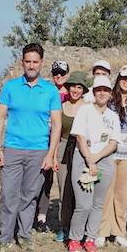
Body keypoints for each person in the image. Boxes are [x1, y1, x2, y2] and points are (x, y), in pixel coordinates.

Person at [0, 43, 62, 252]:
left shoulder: (50, 90)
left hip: (39, 151)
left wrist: (51, 154)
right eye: (27, 61)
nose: (31, 65)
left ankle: (24, 235)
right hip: (12, 148)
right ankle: (5, 237)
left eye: (35, 61)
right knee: (8, 195)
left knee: (29, 195)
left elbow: (57, 124)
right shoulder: (10, 87)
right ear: (22, 62)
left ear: (41, 63)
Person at [67, 75, 121, 252]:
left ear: (111, 94)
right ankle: (75, 238)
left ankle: (90, 238)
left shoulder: (113, 116)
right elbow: (80, 137)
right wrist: (90, 159)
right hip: (83, 158)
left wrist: (96, 158)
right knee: (83, 204)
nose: (102, 93)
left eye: (106, 90)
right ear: (94, 92)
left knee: (98, 203)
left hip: (104, 160)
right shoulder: (85, 110)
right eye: (99, 90)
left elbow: (113, 142)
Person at [97, 64, 127, 248]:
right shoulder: (109, 99)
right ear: (119, 78)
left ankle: (119, 231)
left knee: (122, 195)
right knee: (106, 192)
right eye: (125, 77)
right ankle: (102, 231)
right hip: (109, 151)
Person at [33, 60, 71, 232]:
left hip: (62, 141)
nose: (59, 76)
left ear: (67, 75)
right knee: (41, 179)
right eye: (56, 73)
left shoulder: (72, 94)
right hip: (42, 138)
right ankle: (38, 216)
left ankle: (43, 215)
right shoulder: (45, 91)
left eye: (62, 73)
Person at [53, 71, 90, 242]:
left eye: (79, 87)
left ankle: (80, 228)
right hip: (62, 147)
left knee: (81, 189)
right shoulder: (61, 105)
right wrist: (53, 156)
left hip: (81, 149)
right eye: (73, 86)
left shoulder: (88, 107)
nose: (76, 90)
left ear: (83, 90)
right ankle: (64, 226)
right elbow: (56, 131)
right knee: (63, 190)